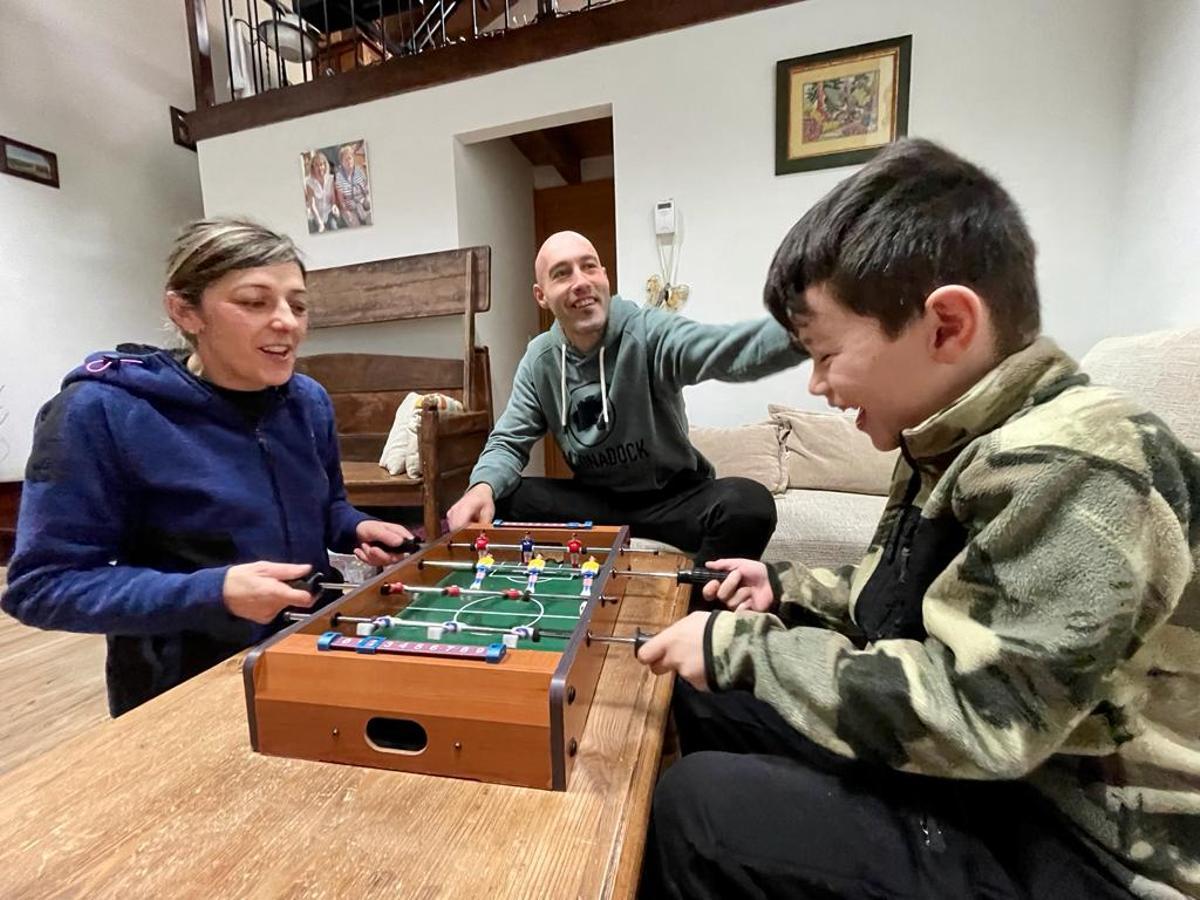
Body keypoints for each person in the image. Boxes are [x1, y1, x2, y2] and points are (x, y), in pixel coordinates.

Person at [636, 139, 1199, 898]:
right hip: (992, 784)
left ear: (946, 326)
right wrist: (782, 589)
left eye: (826, 352)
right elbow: (897, 603)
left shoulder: (1078, 465)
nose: (818, 383)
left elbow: (986, 715)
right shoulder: (951, 437)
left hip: (1079, 847)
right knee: (704, 697)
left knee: (699, 810)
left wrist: (748, 650)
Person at [1, 217, 413, 717]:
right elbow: (42, 587)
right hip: (180, 690)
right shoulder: (100, 413)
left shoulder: (308, 401)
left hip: (307, 652)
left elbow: (326, 506)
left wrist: (356, 527)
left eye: (298, 305)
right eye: (254, 302)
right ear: (184, 311)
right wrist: (213, 592)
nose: (287, 321)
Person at [446, 231, 806, 568]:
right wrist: (482, 485)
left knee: (749, 505)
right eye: (562, 273)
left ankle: (693, 606)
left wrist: (810, 327)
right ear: (541, 295)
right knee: (503, 497)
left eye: (589, 266)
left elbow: (724, 352)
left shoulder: (649, 332)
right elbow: (509, 441)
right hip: (597, 501)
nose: (581, 281)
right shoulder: (540, 360)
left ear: (604, 276)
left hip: (673, 499)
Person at [334, 143, 371, 227]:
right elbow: (341, 200)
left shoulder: (359, 171)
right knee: (355, 225)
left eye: (350, 158)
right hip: (350, 208)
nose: (348, 161)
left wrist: (367, 199)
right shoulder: (339, 177)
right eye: (345, 159)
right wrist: (347, 211)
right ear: (341, 162)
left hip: (363, 204)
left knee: (370, 220)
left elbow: (367, 189)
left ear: (353, 159)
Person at [303, 151, 341, 233]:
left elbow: (333, 200)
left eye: (321, 164)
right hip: (315, 215)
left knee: (335, 230)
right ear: (312, 167)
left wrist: (334, 207)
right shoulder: (309, 182)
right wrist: (319, 222)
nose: (320, 168)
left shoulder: (330, 179)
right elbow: (312, 205)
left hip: (328, 213)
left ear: (325, 165)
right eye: (316, 165)